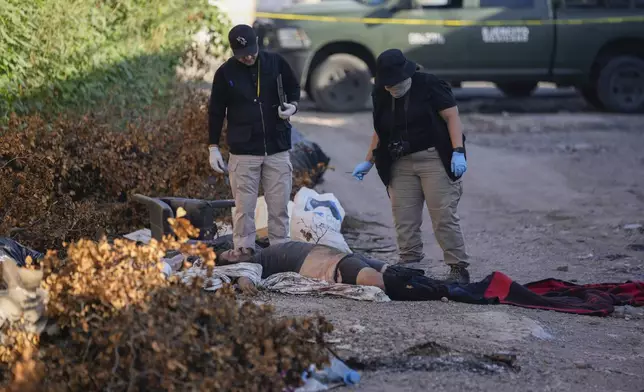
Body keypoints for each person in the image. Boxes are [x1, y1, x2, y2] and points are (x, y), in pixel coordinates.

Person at [351, 49, 471, 284]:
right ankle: (410, 263)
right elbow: (380, 129)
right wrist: (369, 160)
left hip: (433, 157)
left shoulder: (429, 84)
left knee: (443, 214)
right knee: (404, 216)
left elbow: (452, 117)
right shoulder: (382, 93)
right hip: (400, 162)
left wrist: (458, 152)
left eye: (395, 83)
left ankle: (458, 267)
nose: (392, 88)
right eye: (387, 84)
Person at [207, 24, 301, 261]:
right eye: (242, 54)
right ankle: (244, 252)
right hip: (243, 151)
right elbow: (216, 111)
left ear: (257, 43)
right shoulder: (225, 73)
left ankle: (280, 252)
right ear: (233, 51)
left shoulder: (275, 62)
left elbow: (294, 87)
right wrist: (213, 147)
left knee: (279, 207)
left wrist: (293, 106)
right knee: (244, 209)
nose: (248, 57)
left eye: (251, 50)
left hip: (277, 147)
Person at [218, 241, 451, 301]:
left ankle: (448, 288)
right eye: (231, 255)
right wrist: (243, 283)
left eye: (234, 249)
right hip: (336, 267)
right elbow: (247, 276)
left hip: (347, 258)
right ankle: (443, 291)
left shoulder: (266, 250)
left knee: (397, 274)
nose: (236, 251)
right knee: (386, 282)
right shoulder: (257, 264)